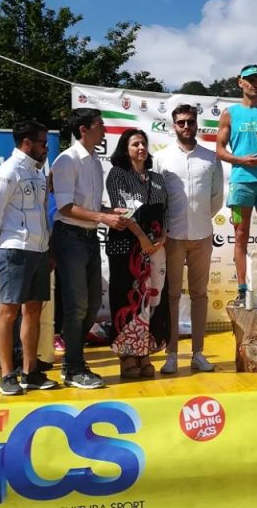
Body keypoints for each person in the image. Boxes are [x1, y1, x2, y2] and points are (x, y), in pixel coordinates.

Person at [51, 108, 129, 389]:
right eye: (99, 124)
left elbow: (89, 206)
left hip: (89, 237)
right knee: (77, 305)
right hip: (69, 237)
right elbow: (65, 207)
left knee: (93, 302)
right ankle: (73, 368)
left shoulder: (95, 161)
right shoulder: (66, 160)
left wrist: (108, 211)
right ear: (83, 129)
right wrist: (102, 217)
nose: (104, 129)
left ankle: (73, 360)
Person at [0, 120, 57, 395]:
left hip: (38, 250)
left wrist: (47, 248)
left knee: (33, 311)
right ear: (27, 143)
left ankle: (30, 371)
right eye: (43, 143)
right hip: (13, 248)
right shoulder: (7, 172)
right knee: (8, 310)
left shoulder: (37, 173)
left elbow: (42, 215)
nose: (46, 148)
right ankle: (7, 375)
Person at [156, 104, 224, 373]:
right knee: (172, 295)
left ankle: (198, 353)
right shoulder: (162, 158)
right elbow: (158, 197)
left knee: (199, 294)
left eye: (190, 122)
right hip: (172, 236)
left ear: (197, 124)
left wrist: (200, 218)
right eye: (181, 122)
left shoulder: (211, 157)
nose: (186, 126)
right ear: (174, 125)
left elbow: (217, 197)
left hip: (202, 234)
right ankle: (171, 354)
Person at [216, 65, 257, 307]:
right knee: (240, 236)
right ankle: (243, 290)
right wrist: (241, 160)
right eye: (250, 80)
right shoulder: (229, 114)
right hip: (241, 181)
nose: (255, 84)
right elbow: (220, 150)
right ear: (240, 82)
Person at [106, 129, 169, 379]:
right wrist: (142, 238)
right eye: (135, 144)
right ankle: (127, 356)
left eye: (143, 143)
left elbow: (165, 210)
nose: (141, 147)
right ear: (125, 148)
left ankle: (145, 353)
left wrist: (163, 236)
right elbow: (122, 210)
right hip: (128, 244)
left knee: (151, 298)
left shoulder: (157, 178)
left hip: (155, 246)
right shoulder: (117, 174)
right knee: (128, 297)